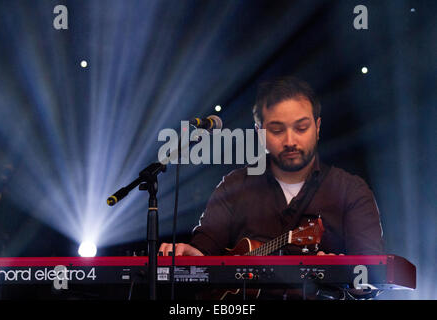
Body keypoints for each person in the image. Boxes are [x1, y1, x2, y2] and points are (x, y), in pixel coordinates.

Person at [158, 76, 384, 260]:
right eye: (276, 130)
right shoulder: (234, 186)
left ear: (317, 127)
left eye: (301, 128)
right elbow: (204, 250)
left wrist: (339, 272)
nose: (290, 141)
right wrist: (191, 254)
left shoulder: (351, 191)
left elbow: (374, 276)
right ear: (259, 133)